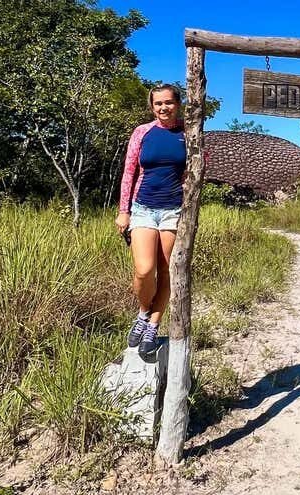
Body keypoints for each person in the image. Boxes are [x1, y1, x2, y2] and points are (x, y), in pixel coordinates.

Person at [115, 84, 185, 358]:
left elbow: (196, 170)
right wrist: (124, 210)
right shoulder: (142, 132)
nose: (163, 108)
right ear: (152, 106)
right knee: (144, 270)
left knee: (167, 272)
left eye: (168, 102)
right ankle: (144, 313)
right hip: (142, 208)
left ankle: (153, 325)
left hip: (173, 211)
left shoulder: (188, 133)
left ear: (177, 104)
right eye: (158, 103)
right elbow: (128, 172)